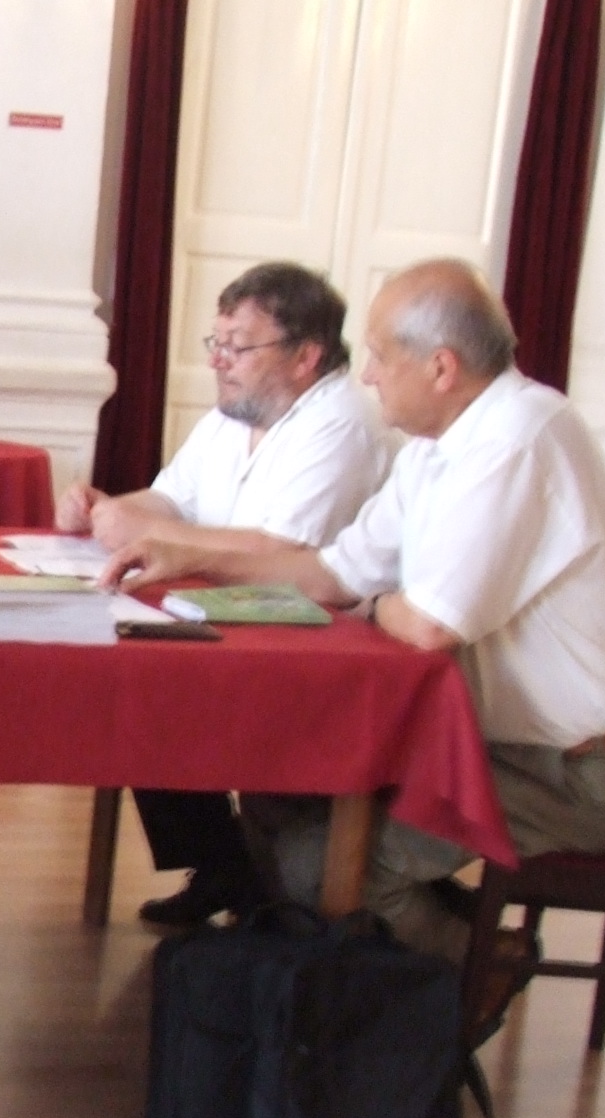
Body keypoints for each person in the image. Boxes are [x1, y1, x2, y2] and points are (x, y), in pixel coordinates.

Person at [104, 259, 605, 1028]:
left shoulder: (515, 441)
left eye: (378, 355)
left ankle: (477, 967)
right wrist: (190, 557)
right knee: (276, 792)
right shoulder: (438, 445)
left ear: (441, 367)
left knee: (323, 863)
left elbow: (429, 625)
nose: (365, 375)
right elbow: (336, 570)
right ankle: (327, 983)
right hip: (495, 743)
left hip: (575, 774)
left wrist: (379, 605)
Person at [55, 261, 393, 928]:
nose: (218, 361)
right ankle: (224, 867)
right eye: (217, 343)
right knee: (143, 680)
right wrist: (103, 506)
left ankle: (242, 874)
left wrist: (145, 529)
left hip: (318, 640)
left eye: (237, 346)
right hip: (236, 615)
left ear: (305, 356)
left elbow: (277, 551)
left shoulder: (341, 423)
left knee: (159, 689)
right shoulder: (237, 412)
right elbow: (171, 499)